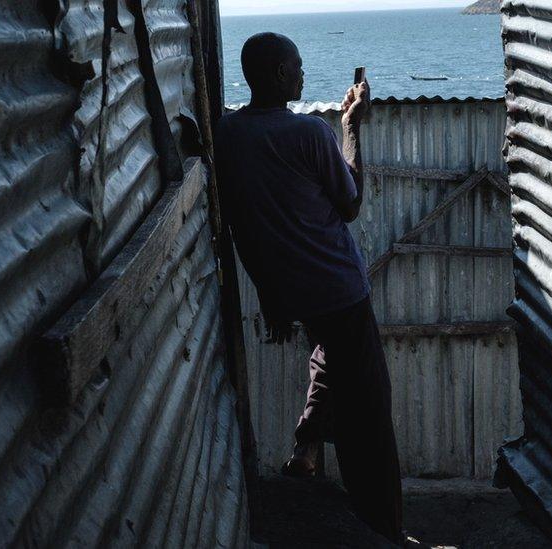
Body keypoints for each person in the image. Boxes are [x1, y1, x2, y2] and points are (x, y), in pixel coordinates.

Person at [214, 33, 403, 546]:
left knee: (329, 359)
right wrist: (351, 125)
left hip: (289, 290)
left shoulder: (226, 136)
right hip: (337, 288)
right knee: (369, 412)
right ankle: (382, 525)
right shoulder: (309, 134)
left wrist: (272, 294)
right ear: (278, 73)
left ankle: (305, 451)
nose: (302, 73)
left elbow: (239, 223)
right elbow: (350, 202)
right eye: (296, 66)